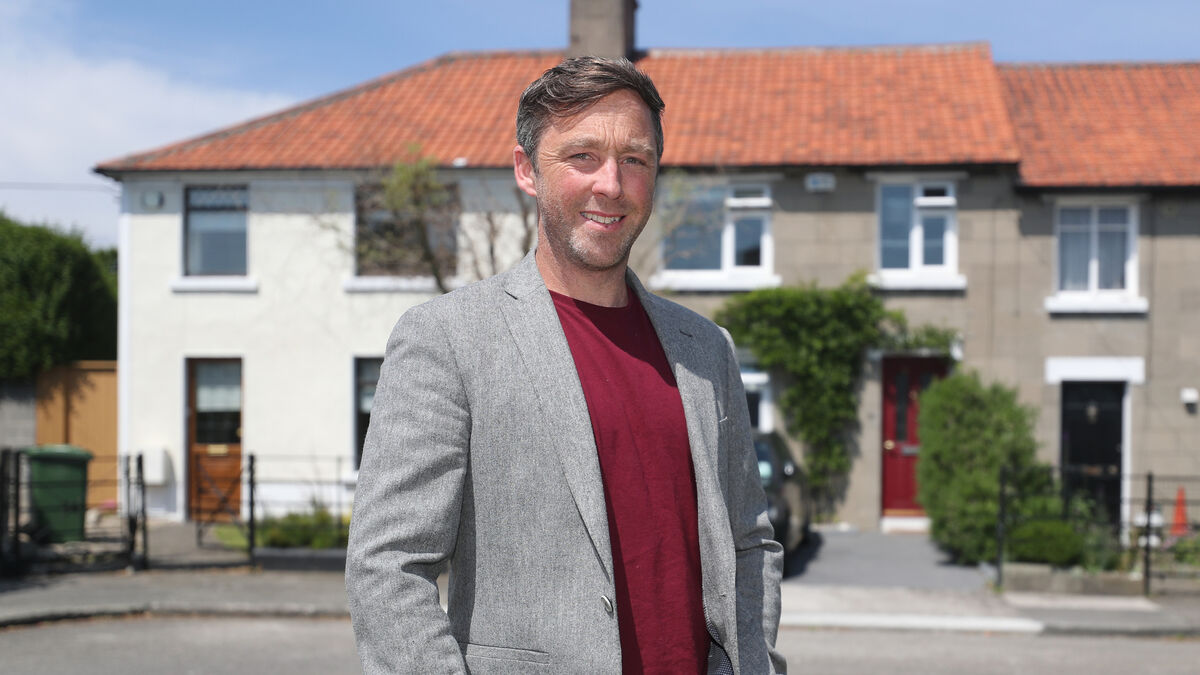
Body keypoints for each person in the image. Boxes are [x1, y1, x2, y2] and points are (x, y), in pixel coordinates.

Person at [346, 56, 784, 674]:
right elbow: (388, 566)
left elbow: (749, 543)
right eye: (582, 157)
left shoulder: (706, 349)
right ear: (527, 169)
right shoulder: (447, 339)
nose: (612, 184)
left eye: (635, 160)